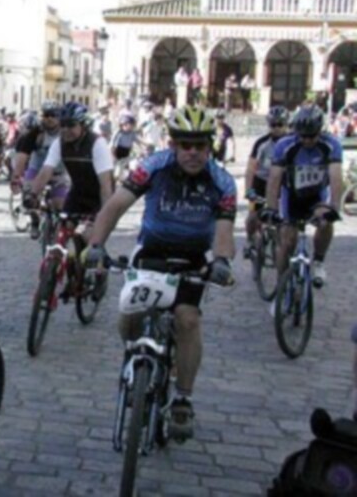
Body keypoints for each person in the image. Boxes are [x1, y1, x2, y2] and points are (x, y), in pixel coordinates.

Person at [86, 105, 236, 441]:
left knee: (187, 320)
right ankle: (136, 359)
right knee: (129, 314)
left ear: (210, 146)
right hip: (151, 252)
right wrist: (96, 243)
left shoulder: (222, 182)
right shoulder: (152, 168)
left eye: (200, 145)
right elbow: (115, 205)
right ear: (173, 145)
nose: (193, 152)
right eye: (186, 145)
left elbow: (225, 231)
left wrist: (222, 262)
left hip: (193, 259)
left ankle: (182, 398)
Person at [262, 105, 342, 286]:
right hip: (292, 196)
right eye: (302, 136)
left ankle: (319, 261)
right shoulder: (285, 145)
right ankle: (281, 285)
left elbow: (336, 176)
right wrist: (271, 208)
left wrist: (334, 207)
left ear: (320, 131)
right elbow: (274, 179)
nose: (306, 140)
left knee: (325, 222)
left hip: (317, 195)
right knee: (287, 240)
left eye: (311, 136)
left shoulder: (331, 144)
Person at [25, 102, 114, 246]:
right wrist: (33, 194)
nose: (65, 130)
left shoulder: (97, 144)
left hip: (99, 197)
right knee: (63, 232)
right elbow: (46, 171)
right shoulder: (59, 143)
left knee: (90, 239)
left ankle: (97, 266)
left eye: (71, 125)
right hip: (77, 193)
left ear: (84, 125)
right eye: (63, 125)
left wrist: (104, 214)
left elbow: (106, 184)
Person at [11, 102, 70, 238]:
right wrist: (16, 177)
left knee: (60, 204)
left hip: (59, 171)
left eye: (53, 115)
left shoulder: (66, 132)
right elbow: (22, 157)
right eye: (46, 115)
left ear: (60, 117)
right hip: (36, 170)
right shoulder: (35, 133)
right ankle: (34, 220)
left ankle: (58, 231)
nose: (49, 118)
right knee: (29, 198)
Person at [243, 106, 289, 259]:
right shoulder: (261, 143)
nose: (276, 128)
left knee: (283, 220)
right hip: (260, 183)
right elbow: (251, 169)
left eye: (280, 125)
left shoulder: (292, 143)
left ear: (286, 124)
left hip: (283, 184)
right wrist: (249, 190)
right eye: (273, 125)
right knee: (253, 216)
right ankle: (250, 240)